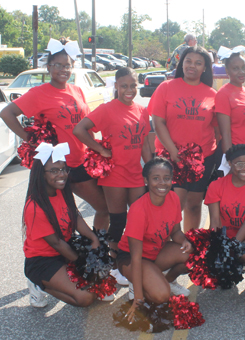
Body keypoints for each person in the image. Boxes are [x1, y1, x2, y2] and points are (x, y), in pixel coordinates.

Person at [0, 38, 109, 231]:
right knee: (63, 214)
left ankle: (96, 251)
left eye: (67, 66)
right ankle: (75, 251)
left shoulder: (77, 90)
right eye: (58, 65)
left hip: (82, 160)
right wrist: (29, 139)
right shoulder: (38, 93)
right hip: (58, 165)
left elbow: (85, 125)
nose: (63, 70)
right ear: (48, 67)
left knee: (103, 208)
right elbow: (6, 113)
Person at [73, 67, 152, 262]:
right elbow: (79, 130)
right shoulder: (107, 109)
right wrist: (100, 149)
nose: (129, 90)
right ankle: (113, 262)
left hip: (136, 174)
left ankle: (135, 258)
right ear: (115, 86)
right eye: (124, 85)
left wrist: (150, 170)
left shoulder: (142, 111)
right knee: (118, 221)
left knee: (139, 220)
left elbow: (143, 144)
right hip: (114, 175)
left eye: (133, 85)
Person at [24, 142, 108, 308]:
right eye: (54, 171)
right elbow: (56, 243)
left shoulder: (61, 191)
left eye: (63, 169)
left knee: (100, 284)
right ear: (41, 174)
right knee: (85, 297)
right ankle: (38, 284)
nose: (61, 174)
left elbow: (74, 217)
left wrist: (93, 239)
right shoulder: (34, 206)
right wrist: (83, 264)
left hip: (66, 250)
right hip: (43, 260)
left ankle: (62, 278)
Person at [149, 46, 217, 232]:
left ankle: (189, 245)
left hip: (202, 159)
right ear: (181, 63)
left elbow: (217, 128)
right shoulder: (166, 87)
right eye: (188, 61)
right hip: (171, 156)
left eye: (198, 63)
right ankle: (166, 247)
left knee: (194, 206)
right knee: (173, 206)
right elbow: (158, 122)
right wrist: (173, 151)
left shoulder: (212, 94)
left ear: (205, 68)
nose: (192, 66)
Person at [117, 157, 193, 320]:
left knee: (194, 255)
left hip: (155, 253)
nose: (162, 183)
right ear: (146, 180)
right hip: (132, 259)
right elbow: (136, 258)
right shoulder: (139, 210)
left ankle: (165, 280)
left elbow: (176, 232)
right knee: (161, 296)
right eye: (156, 178)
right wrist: (139, 299)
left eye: (166, 178)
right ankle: (138, 285)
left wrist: (185, 241)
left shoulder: (173, 198)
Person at [204, 144, 245, 294]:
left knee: (243, 252)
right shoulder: (216, 186)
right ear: (229, 163)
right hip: (227, 235)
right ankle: (236, 265)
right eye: (240, 163)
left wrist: (231, 248)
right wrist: (216, 248)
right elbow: (214, 221)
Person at [215, 53, 245, 154]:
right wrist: (229, 159)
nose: (242, 72)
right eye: (236, 68)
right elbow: (225, 134)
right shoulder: (223, 94)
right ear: (227, 71)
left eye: (244, 67)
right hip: (237, 154)